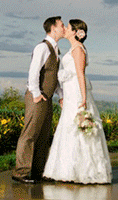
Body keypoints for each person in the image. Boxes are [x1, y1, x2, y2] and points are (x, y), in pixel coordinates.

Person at [43, 18, 113, 184]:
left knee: (77, 127)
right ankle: (67, 170)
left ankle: (85, 171)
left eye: (68, 27)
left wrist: (83, 98)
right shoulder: (73, 48)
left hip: (76, 92)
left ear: (75, 32)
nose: (65, 30)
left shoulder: (78, 49)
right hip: (69, 93)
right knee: (68, 127)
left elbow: (81, 74)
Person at [13, 16, 64, 183]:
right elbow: (33, 72)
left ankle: (38, 172)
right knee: (29, 134)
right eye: (62, 25)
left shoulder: (56, 50)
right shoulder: (42, 47)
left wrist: (61, 95)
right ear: (53, 28)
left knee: (43, 135)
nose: (64, 28)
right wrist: (36, 94)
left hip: (47, 97)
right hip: (37, 97)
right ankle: (21, 173)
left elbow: (54, 76)